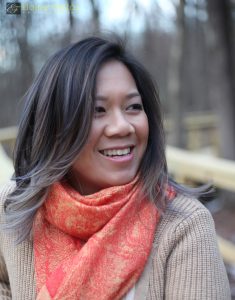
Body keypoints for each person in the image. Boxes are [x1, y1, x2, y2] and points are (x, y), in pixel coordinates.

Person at [0, 36, 231, 300]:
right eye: (97, 110)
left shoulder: (183, 226)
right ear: (54, 127)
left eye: (133, 107)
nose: (122, 126)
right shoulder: (14, 208)